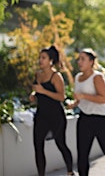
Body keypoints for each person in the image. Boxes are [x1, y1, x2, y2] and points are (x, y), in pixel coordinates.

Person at [68, 48, 105, 176]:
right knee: (82, 153)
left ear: (91, 62)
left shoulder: (97, 77)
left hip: (102, 119)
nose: (79, 61)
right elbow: (79, 98)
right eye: (79, 59)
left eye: (82, 59)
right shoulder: (78, 77)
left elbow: (104, 99)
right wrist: (73, 104)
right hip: (85, 119)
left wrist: (83, 96)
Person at [29, 45, 74, 176]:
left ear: (50, 60)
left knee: (61, 144)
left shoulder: (56, 76)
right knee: (38, 146)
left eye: (43, 58)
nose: (40, 60)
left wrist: (43, 91)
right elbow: (37, 89)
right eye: (39, 57)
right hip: (41, 115)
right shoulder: (38, 75)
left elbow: (61, 97)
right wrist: (34, 94)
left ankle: (70, 171)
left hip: (56, 116)